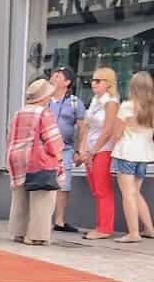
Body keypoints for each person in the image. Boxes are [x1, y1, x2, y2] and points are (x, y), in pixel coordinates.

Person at [6, 79, 65, 245]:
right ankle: (36, 236)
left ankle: (19, 232)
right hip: (37, 161)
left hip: (17, 158)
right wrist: (59, 159)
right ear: (44, 96)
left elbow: (10, 136)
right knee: (42, 198)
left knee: (20, 197)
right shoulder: (43, 113)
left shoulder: (19, 113)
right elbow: (52, 139)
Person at [110, 71, 154, 242]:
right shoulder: (151, 108)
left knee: (128, 194)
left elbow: (116, 133)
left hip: (126, 153)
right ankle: (149, 228)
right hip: (144, 155)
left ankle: (133, 233)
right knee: (136, 192)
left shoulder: (127, 106)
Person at [81, 67, 120, 240]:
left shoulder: (111, 102)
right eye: (93, 80)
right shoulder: (95, 101)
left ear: (108, 83)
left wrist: (92, 151)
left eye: (98, 80)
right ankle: (100, 225)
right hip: (91, 149)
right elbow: (86, 126)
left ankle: (104, 228)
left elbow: (108, 130)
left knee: (102, 189)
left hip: (102, 150)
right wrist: (82, 149)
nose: (93, 83)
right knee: (96, 189)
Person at [47, 67, 87, 232]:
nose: (53, 78)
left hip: (65, 149)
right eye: (53, 75)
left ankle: (59, 221)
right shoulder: (44, 99)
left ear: (67, 82)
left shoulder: (74, 102)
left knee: (63, 185)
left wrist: (80, 150)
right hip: (45, 149)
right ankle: (41, 218)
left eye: (58, 76)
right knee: (43, 182)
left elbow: (83, 128)